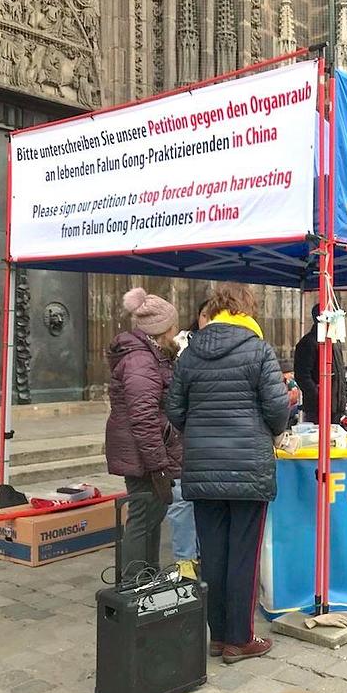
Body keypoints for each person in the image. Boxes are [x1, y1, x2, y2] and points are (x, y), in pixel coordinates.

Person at [166, 282, 289, 663]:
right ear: (246, 311)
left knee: (214, 555)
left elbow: (174, 409)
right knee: (244, 556)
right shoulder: (259, 350)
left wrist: (201, 432)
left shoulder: (189, 355)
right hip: (248, 466)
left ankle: (218, 635)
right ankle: (240, 638)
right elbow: (278, 408)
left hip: (203, 467)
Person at [105, 288, 182, 578]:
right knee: (142, 516)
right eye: (173, 325)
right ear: (162, 328)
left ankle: (146, 576)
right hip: (143, 454)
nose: (176, 330)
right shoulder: (140, 361)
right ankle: (134, 580)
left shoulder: (149, 355)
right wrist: (158, 465)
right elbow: (144, 417)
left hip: (143, 451)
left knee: (151, 514)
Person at [168, 301, 210, 581]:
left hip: (209, 436)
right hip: (185, 435)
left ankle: (199, 552)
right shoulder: (182, 345)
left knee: (203, 499)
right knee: (182, 498)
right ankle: (184, 558)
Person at [293, 304, 346, 425]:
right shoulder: (308, 343)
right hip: (317, 407)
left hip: (337, 405)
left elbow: (341, 371)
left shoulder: (335, 341)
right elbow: (302, 375)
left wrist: (345, 397)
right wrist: (317, 395)